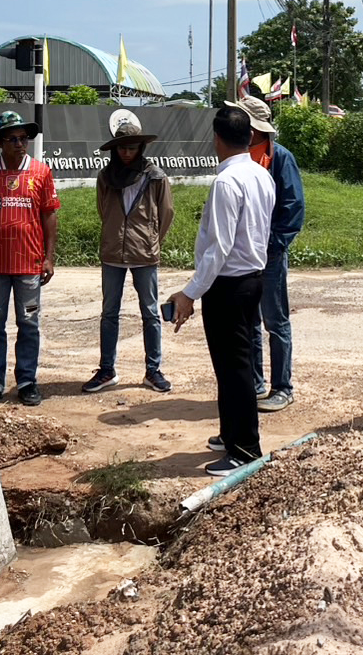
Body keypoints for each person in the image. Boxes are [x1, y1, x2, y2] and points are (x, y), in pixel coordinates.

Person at [166, 106, 275, 477]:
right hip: (251, 279)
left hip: (229, 285)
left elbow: (220, 248)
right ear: (250, 137)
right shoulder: (261, 174)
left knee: (234, 368)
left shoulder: (227, 182)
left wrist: (190, 293)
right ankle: (231, 434)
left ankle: (245, 449)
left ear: (216, 139)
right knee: (232, 365)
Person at [0, 110, 60, 408]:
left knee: (29, 323)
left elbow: (50, 215)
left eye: (24, 138)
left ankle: (27, 382)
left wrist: (49, 258)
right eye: (13, 139)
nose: (20, 144)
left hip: (29, 265)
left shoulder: (41, 173)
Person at [225, 95, 305, 413]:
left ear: (254, 127)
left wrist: (274, 245)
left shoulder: (280, 158)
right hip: (244, 255)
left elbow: (293, 208)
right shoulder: (240, 155)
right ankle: (255, 383)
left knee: (275, 320)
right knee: (249, 322)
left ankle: (283, 388)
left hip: (269, 255)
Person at [84, 118, 175, 394]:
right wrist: (116, 233)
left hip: (144, 254)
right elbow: (103, 210)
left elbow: (166, 213)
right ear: (115, 149)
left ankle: (153, 370)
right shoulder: (105, 176)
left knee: (150, 313)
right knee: (109, 313)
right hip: (112, 252)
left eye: (132, 148)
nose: (126, 153)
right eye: (122, 148)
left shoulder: (155, 176)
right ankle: (107, 370)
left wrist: (150, 239)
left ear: (140, 148)